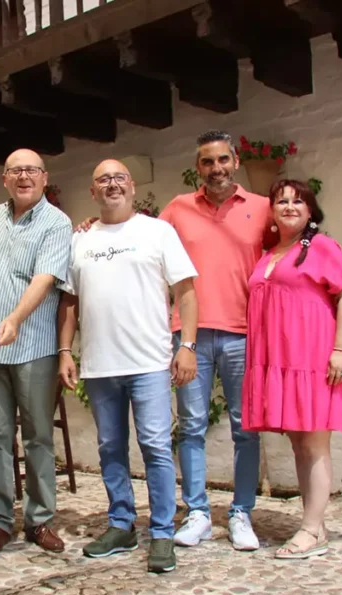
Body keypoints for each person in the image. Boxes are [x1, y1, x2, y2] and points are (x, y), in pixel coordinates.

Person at [74, 130, 269, 551]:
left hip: (243, 332)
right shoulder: (176, 211)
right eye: (206, 162)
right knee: (191, 428)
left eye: (222, 160)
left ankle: (241, 513)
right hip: (189, 334)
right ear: (197, 168)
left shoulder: (264, 208)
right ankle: (196, 511)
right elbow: (127, 234)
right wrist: (88, 225)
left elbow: (293, 242)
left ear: (235, 161)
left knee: (245, 429)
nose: (215, 168)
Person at [58, 160, 199, 573]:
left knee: (155, 446)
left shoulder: (158, 232)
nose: (112, 184)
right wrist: (65, 351)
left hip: (150, 362)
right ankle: (121, 524)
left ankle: (160, 533)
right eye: (103, 179)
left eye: (119, 177)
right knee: (110, 449)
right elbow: (69, 301)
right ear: (93, 191)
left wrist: (187, 345)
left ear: (132, 187)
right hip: (101, 365)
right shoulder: (79, 240)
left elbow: (186, 292)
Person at [243, 179, 342, 559]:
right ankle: (316, 523)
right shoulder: (271, 252)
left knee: (314, 444)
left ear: (311, 210)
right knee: (300, 443)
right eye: (281, 201)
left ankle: (311, 531)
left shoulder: (321, 247)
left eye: (299, 201)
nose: (289, 206)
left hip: (314, 357)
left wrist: (340, 350)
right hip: (282, 359)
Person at [0, 149, 72, 555]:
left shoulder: (56, 222)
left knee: (36, 436)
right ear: (4, 179)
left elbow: (45, 278)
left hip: (33, 345)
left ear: (44, 178)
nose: (23, 177)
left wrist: (15, 318)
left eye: (31, 170)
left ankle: (39, 521)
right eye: (15, 170)